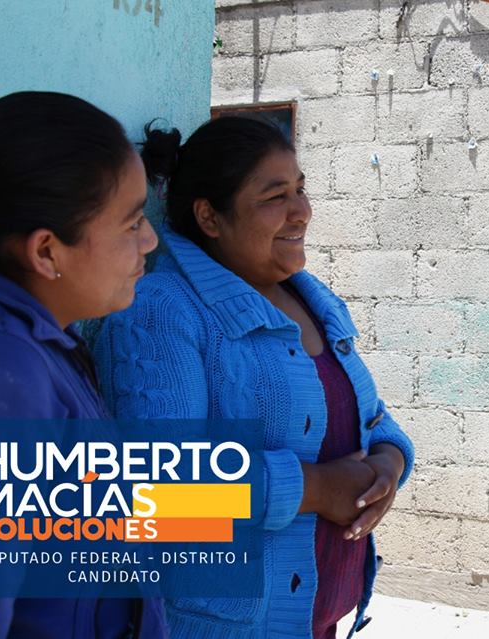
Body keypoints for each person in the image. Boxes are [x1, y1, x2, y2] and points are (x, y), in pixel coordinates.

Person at [93, 116, 414, 639]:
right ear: (210, 217)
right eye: (274, 197)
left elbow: (371, 416)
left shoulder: (314, 300)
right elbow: (153, 494)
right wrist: (316, 489)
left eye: (301, 189)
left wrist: (389, 461)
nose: (301, 211)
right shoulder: (160, 313)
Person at [0, 92, 164, 637]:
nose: (150, 240)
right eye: (132, 222)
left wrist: (266, 496)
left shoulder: (36, 339)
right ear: (47, 252)